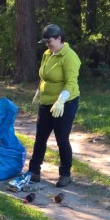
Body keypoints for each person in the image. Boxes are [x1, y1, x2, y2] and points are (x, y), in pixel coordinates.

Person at [28, 23, 81, 187]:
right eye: (45, 42)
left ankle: (65, 174)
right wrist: (39, 91)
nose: (47, 45)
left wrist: (61, 100)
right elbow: (44, 76)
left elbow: (71, 83)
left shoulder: (70, 57)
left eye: (49, 41)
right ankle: (34, 171)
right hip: (46, 102)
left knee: (61, 139)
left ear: (59, 39)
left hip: (65, 103)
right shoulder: (47, 54)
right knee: (40, 138)